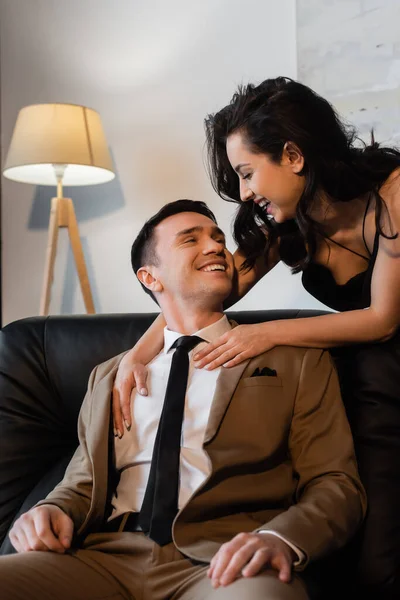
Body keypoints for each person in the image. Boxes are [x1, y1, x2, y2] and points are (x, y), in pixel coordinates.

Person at [112, 77, 400, 596]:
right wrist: (137, 354)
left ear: (292, 155)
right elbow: (200, 299)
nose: (244, 193)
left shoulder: (394, 193)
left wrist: (266, 334)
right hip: (366, 371)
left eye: (247, 173)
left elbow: (383, 319)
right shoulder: (282, 223)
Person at [0, 200, 365, 600]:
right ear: (150, 277)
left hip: (224, 562)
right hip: (100, 557)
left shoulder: (295, 359)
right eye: (190, 239)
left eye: (218, 238)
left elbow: (335, 484)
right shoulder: (110, 377)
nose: (215, 247)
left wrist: (281, 537)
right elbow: (80, 484)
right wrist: (49, 512)